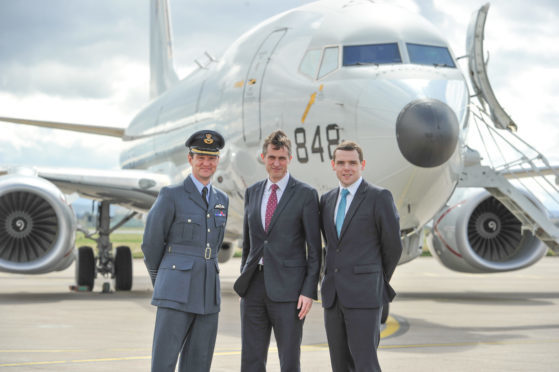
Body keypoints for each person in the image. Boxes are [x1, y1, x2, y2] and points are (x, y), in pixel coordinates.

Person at [233, 130, 322, 372]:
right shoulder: (252, 192)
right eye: (272, 157)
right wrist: (244, 276)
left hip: (290, 291)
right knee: (251, 360)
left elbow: (315, 250)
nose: (276, 163)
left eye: (282, 158)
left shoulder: (305, 195)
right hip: (253, 289)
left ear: (289, 159)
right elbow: (249, 243)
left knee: (289, 360)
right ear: (263, 157)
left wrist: (308, 290)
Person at [141, 130, 229, 372]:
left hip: (208, 294)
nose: (206, 163)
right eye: (200, 157)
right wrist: (163, 280)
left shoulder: (222, 200)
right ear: (190, 159)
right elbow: (150, 244)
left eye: (211, 158)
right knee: (164, 363)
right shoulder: (171, 195)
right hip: (175, 291)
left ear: (217, 161)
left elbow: (215, 244)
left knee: (199, 364)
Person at [319, 141, 403, 372]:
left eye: (353, 163)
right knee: (339, 365)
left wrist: (374, 279)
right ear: (333, 165)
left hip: (365, 295)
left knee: (365, 363)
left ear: (362, 165)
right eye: (342, 163)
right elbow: (331, 247)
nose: (347, 168)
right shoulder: (326, 200)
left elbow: (393, 247)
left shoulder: (379, 197)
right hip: (333, 297)